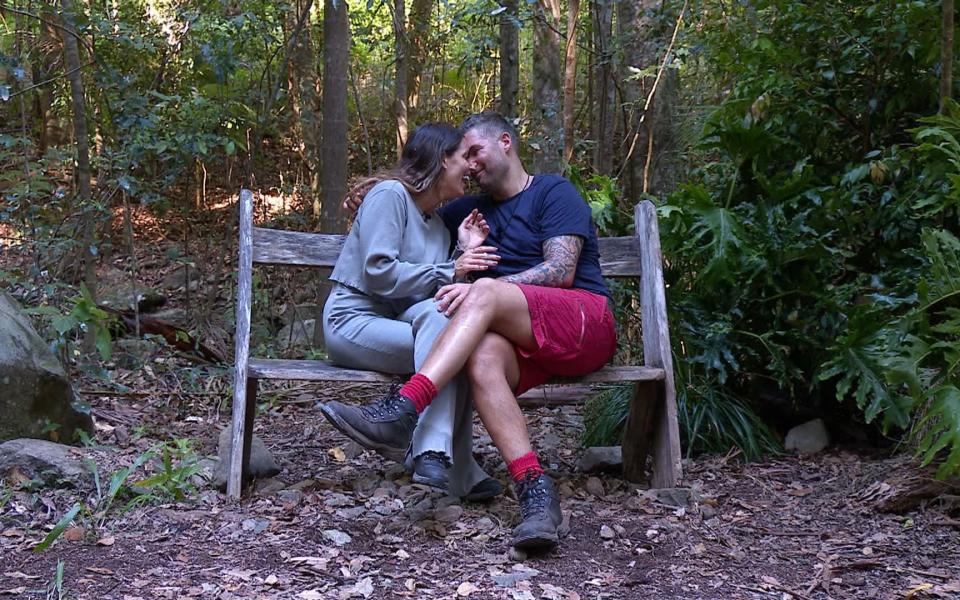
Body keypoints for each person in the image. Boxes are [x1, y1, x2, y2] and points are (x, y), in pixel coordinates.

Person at [322, 111, 617, 551]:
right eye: (465, 157)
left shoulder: (552, 191)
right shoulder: (463, 211)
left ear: (504, 142)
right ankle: (534, 491)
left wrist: (487, 288)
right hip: (522, 341)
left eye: (476, 151)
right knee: (475, 355)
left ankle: (405, 409)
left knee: (480, 293)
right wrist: (368, 193)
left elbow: (559, 271)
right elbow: (411, 199)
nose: (471, 164)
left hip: (581, 321)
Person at [321, 123, 503, 501]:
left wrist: (461, 253)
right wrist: (450, 268)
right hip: (351, 321)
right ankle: (441, 456)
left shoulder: (438, 227)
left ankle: (436, 454)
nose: (470, 167)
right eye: (463, 157)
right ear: (441, 159)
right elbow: (379, 272)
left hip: (397, 322)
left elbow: (431, 296)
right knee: (451, 344)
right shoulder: (389, 195)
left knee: (452, 335)